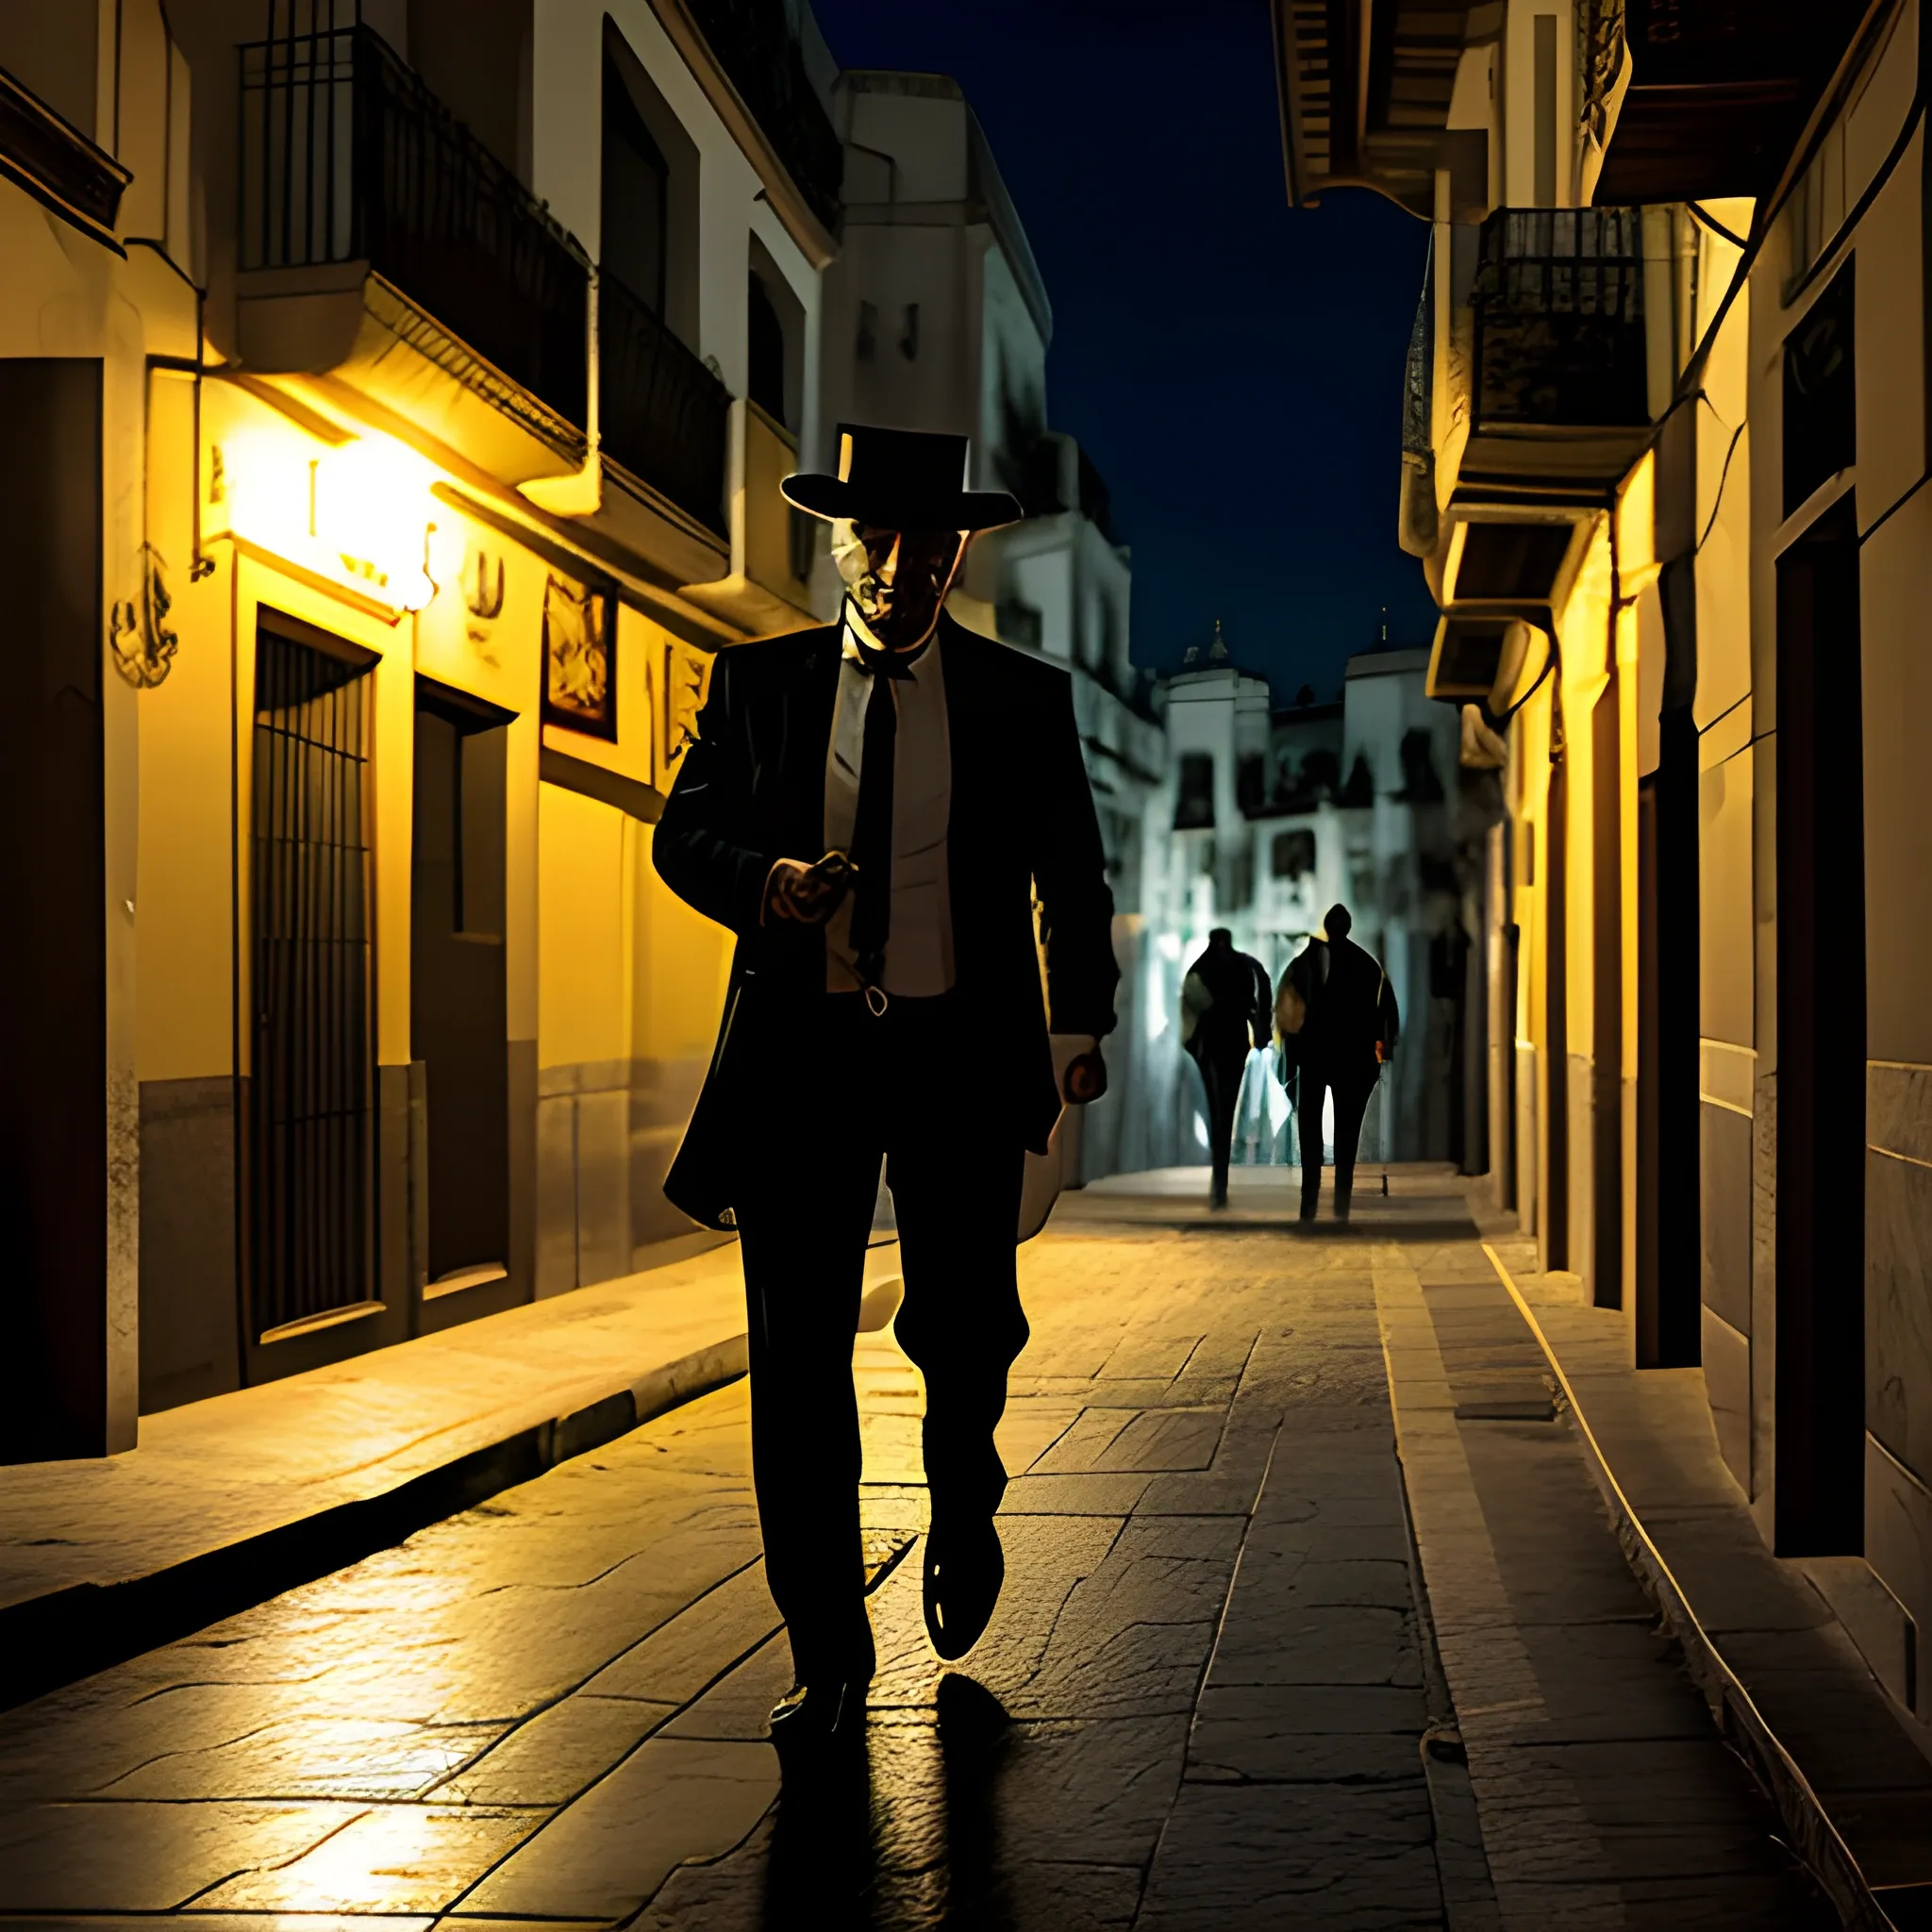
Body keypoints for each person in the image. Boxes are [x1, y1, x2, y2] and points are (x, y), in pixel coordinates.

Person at [653, 424, 1119, 1749]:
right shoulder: (758, 686)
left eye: (926, 542)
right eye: (875, 536)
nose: (898, 563)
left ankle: (964, 1499)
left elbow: (1068, 877)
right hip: (803, 1063)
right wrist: (766, 884)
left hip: (959, 1057)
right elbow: (683, 833)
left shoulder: (1024, 702)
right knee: (796, 1365)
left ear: (959, 551)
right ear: (841, 541)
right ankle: (826, 1649)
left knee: (966, 1331)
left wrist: (1076, 1020)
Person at [1285, 904, 1399, 1224]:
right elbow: (1387, 1012)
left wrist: (1291, 1052)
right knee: (1347, 1133)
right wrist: (1383, 1049)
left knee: (1310, 1129)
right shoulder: (1366, 965)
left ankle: (1309, 1203)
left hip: (1314, 1056)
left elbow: (1288, 1010)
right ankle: (1341, 1206)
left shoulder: (1306, 962)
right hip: (1354, 1059)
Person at [1179, 929, 1272, 1208]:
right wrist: (1259, 1035)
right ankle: (1221, 1176)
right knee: (1227, 1108)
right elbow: (1255, 1004)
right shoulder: (1244, 965)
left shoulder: (1202, 965)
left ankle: (1218, 1175)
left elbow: (1190, 1005)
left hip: (1209, 1046)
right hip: (1234, 1043)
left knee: (1213, 1108)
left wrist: (1190, 1043)